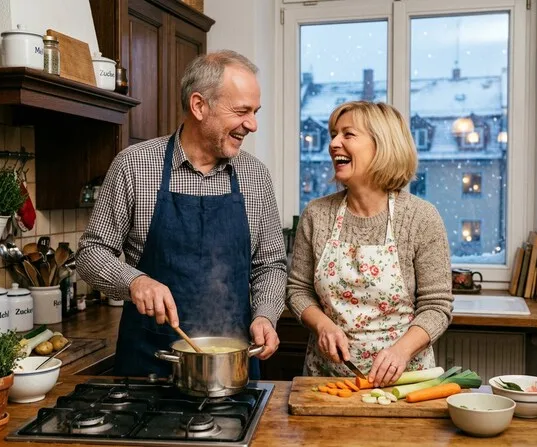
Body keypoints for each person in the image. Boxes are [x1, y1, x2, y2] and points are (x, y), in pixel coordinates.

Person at [76, 50, 286, 379]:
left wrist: (265, 315)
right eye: (242, 111)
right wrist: (135, 282)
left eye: (255, 112)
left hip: (230, 368)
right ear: (199, 105)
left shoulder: (255, 176)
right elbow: (90, 253)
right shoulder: (134, 165)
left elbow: (271, 264)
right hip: (149, 363)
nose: (252, 125)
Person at [286, 101, 453, 387]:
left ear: (382, 146)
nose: (334, 144)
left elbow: (437, 307)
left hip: (402, 383)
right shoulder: (316, 214)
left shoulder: (420, 218)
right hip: (327, 384)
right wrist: (323, 325)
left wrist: (401, 351)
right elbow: (297, 290)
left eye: (348, 135)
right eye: (333, 134)